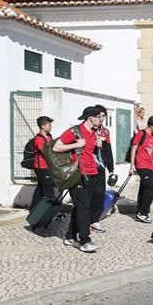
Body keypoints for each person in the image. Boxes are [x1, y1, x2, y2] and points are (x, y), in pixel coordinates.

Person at [54, 106, 103, 253]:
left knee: (83, 206)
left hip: (92, 173)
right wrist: (76, 144)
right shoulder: (74, 131)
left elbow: (89, 152)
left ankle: (69, 236)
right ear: (90, 118)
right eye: (98, 117)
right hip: (78, 174)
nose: (101, 119)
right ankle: (85, 240)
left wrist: (97, 146)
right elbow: (56, 147)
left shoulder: (93, 132)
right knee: (83, 208)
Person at [130, 116, 153, 224]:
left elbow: (152, 151)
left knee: (144, 187)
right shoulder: (141, 134)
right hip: (141, 165)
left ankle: (139, 210)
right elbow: (134, 149)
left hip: (150, 166)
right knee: (150, 187)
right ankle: (143, 212)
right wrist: (132, 165)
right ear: (151, 125)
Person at [90, 105, 114, 233]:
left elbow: (108, 149)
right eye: (98, 116)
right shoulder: (88, 130)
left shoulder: (105, 132)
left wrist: (111, 167)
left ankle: (94, 220)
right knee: (90, 194)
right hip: (88, 166)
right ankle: (85, 220)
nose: (101, 119)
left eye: (103, 116)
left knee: (100, 193)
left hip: (100, 166)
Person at [29, 116, 55, 211]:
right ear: (43, 126)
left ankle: (33, 208)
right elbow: (45, 151)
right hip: (41, 167)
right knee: (48, 189)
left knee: (40, 188)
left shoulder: (49, 136)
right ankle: (51, 210)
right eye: (49, 125)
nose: (51, 126)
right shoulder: (38, 139)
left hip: (49, 166)